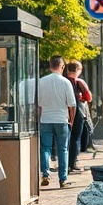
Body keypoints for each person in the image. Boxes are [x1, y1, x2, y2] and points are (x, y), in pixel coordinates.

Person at [37, 55, 76, 188]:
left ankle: (45, 174)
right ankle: (63, 180)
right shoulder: (66, 82)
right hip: (61, 120)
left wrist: (39, 118)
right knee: (63, 150)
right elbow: (72, 104)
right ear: (62, 66)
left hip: (45, 119)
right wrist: (71, 120)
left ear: (50, 66)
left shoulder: (41, 81)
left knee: (45, 148)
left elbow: (39, 104)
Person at [65, 60, 92, 173]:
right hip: (77, 113)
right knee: (75, 138)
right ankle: (72, 163)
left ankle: (64, 163)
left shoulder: (64, 80)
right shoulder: (79, 82)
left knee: (65, 138)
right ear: (78, 70)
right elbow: (88, 97)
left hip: (64, 112)